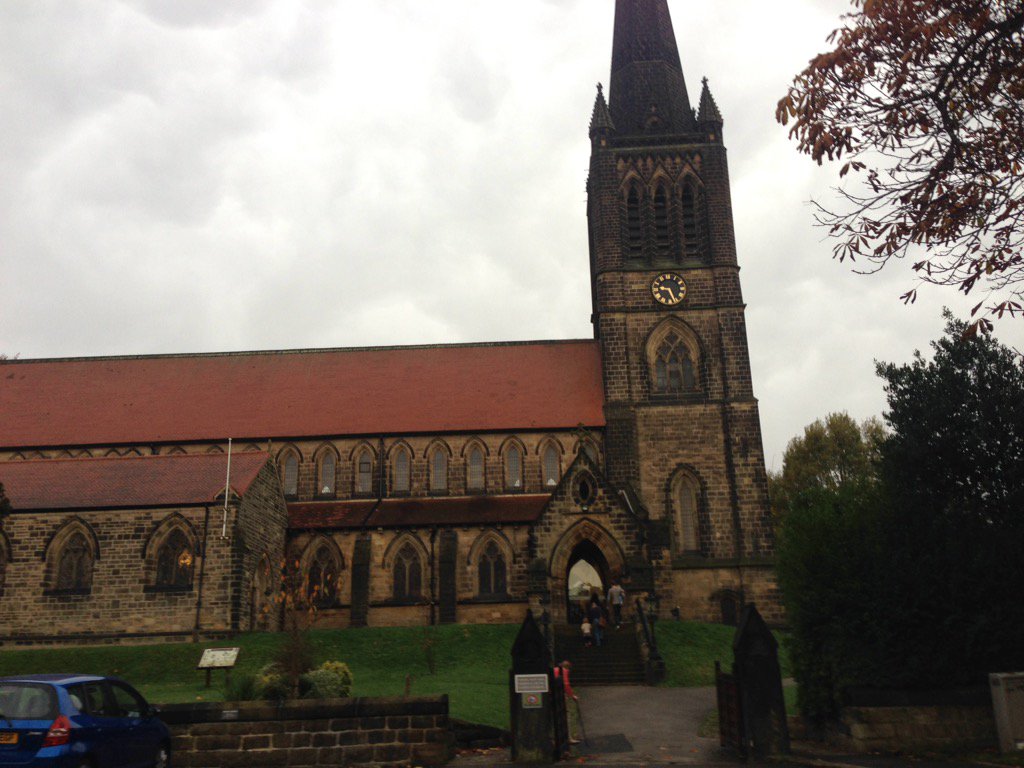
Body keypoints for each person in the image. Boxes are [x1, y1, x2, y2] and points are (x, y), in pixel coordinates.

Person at [554, 660, 580, 746]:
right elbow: (566, 684)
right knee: (566, 715)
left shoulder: (554, 670)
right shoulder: (564, 671)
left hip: (552, 695)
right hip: (560, 695)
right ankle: (568, 738)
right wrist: (572, 696)